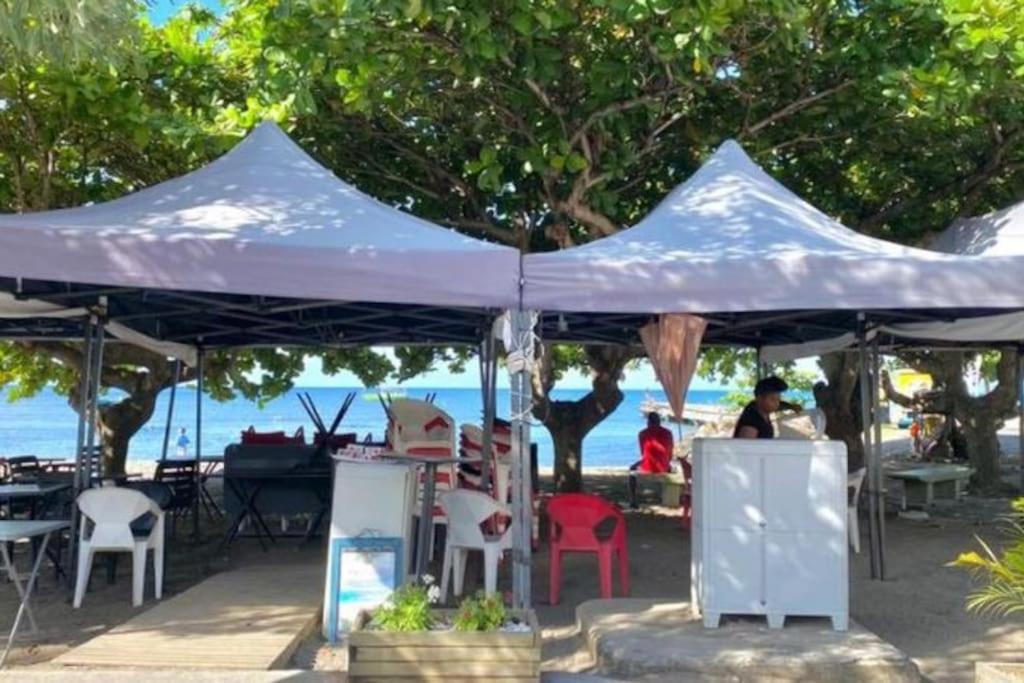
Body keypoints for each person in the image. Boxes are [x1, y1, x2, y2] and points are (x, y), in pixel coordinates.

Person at [628, 412, 674, 508]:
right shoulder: (668, 433)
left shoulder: (642, 433)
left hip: (647, 468)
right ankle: (665, 493)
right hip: (664, 466)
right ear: (659, 422)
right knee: (670, 466)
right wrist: (666, 461)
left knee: (632, 469)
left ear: (648, 422)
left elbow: (642, 453)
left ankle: (632, 499)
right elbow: (670, 453)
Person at [733, 376, 802, 439]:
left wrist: (791, 407)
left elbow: (779, 405)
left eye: (778, 399)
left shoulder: (759, 408)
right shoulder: (751, 423)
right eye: (773, 399)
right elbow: (746, 449)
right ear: (759, 398)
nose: (777, 403)